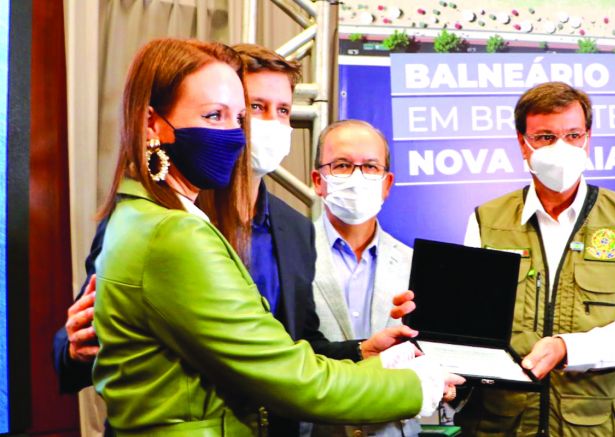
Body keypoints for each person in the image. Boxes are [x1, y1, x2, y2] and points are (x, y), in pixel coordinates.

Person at [90, 38, 462, 435]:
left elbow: (287, 349)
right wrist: (418, 385)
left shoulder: (147, 214)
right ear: (152, 123)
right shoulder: (174, 232)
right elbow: (288, 376)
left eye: (238, 118)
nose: (236, 134)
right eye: (215, 115)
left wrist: (367, 356)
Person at [455, 81, 615, 436]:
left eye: (573, 135)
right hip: (507, 423)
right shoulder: (486, 220)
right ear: (522, 144)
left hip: (597, 425)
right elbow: (470, 324)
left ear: (588, 139)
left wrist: (568, 348)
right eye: (545, 137)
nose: (561, 147)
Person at [309, 119, 420, 437]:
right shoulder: (287, 256)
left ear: (387, 183)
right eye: (342, 165)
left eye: (371, 167)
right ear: (318, 180)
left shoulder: (413, 265)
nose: (357, 177)